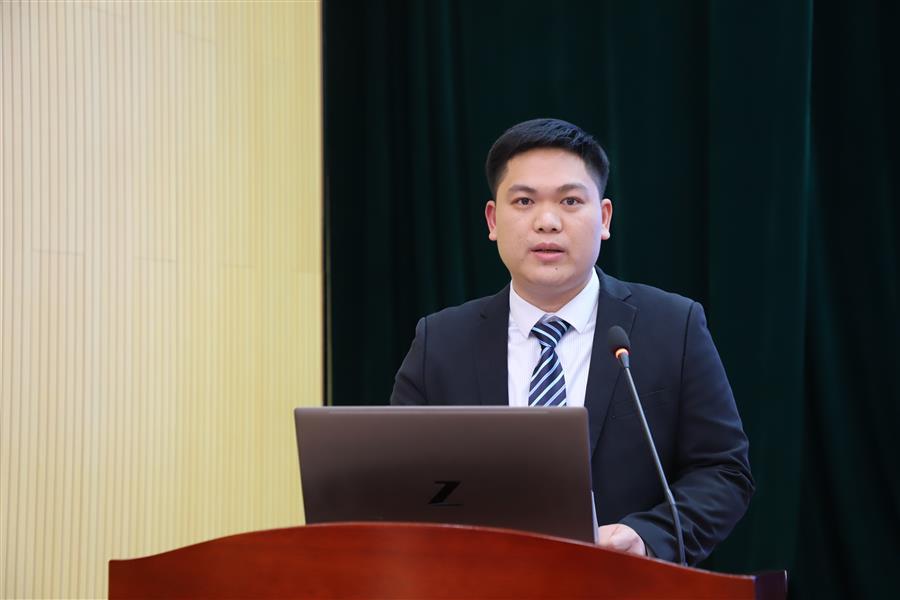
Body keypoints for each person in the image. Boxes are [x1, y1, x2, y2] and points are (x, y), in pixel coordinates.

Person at [390, 118, 753, 565]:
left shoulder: (673, 327)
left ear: (604, 218)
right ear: (493, 220)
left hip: (623, 585)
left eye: (570, 201)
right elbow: (399, 479)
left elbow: (723, 471)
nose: (547, 222)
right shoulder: (441, 342)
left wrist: (646, 536)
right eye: (524, 201)